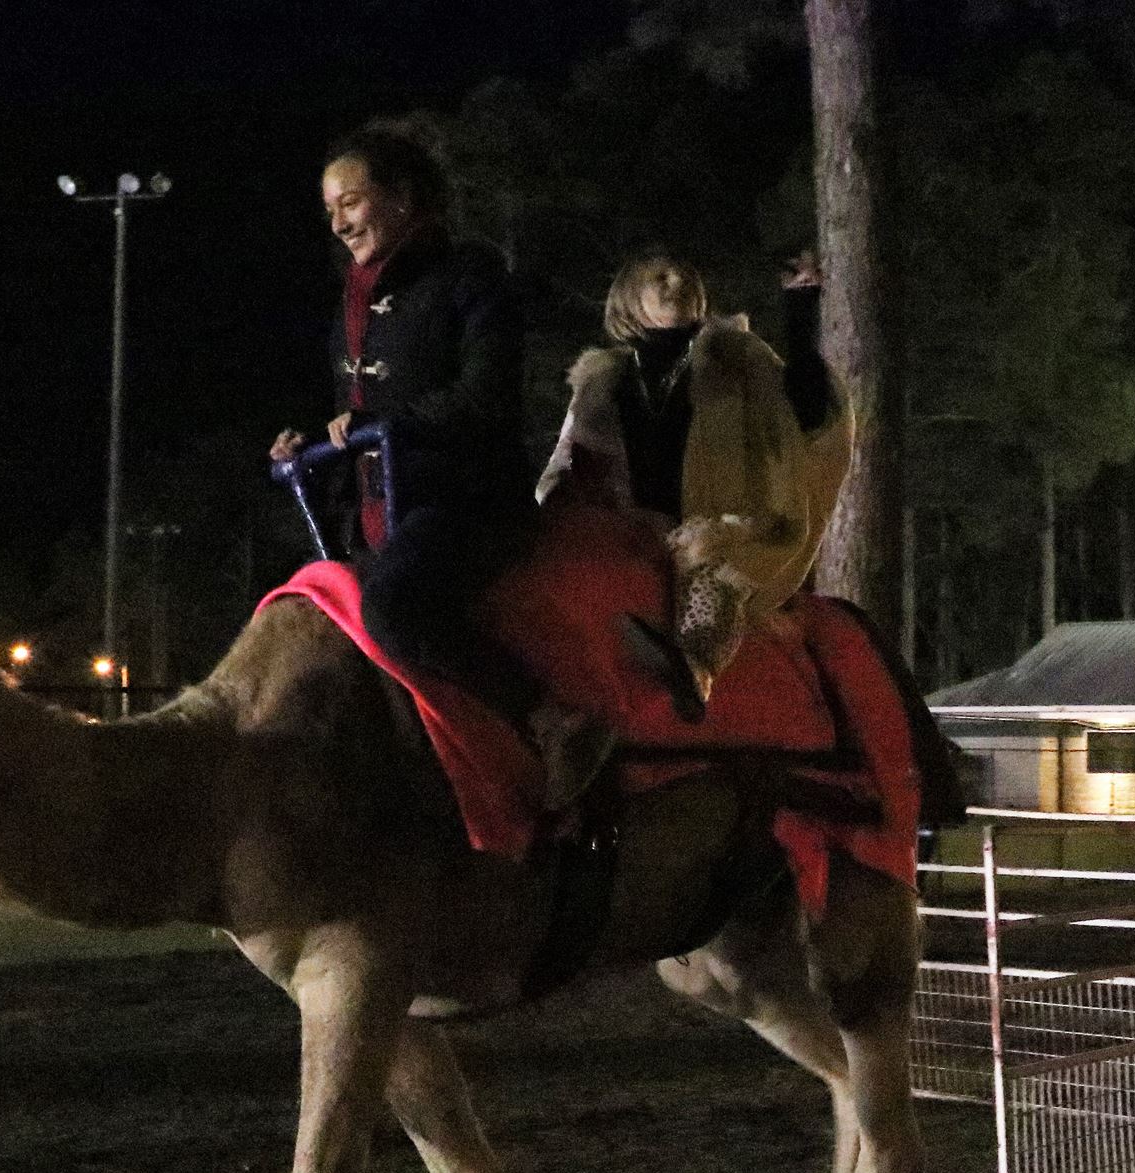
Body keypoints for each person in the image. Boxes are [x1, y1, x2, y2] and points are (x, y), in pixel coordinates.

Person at [270, 125, 610, 808]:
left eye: (352, 202)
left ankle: (553, 716)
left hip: (467, 507)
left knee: (393, 606)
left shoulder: (470, 279)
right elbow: (354, 417)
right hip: (379, 518)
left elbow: (484, 399)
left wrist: (384, 427)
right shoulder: (350, 309)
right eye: (329, 209)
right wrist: (310, 450)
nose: (338, 223)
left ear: (400, 198)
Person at [538, 249, 851, 714]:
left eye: (685, 275)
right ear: (629, 297)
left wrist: (801, 305)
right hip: (628, 527)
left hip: (721, 524)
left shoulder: (737, 360)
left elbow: (802, 411)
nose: (675, 281)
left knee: (712, 569)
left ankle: (697, 668)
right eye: (660, 276)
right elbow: (566, 461)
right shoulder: (602, 382)